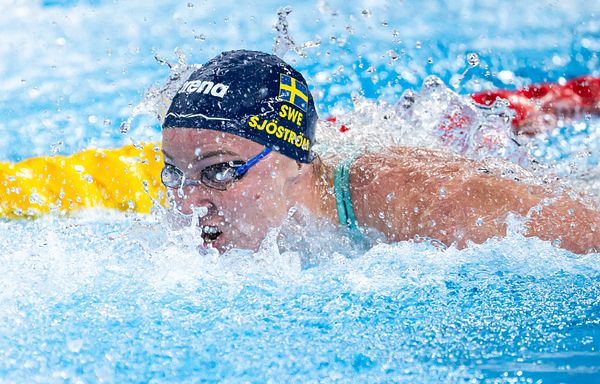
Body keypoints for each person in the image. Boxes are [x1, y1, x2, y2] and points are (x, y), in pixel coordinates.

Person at [161, 49, 600, 254]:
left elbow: (588, 232)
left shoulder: (423, 200)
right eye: (174, 172)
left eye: (217, 171)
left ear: (295, 161)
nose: (188, 202)